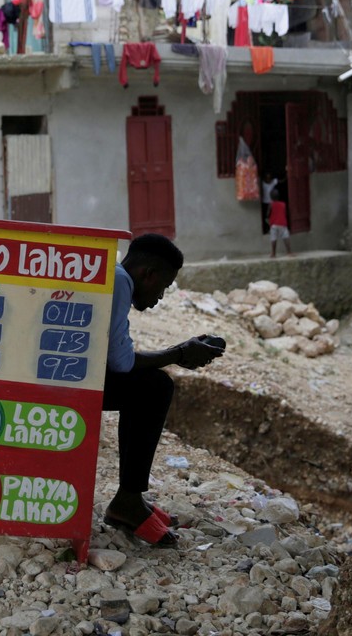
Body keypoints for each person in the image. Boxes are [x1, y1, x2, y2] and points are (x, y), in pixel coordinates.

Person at [102, 233, 226, 547]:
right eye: (165, 286)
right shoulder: (118, 283)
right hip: (66, 384)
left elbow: (118, 357)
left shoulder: (114, 277)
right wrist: (179, 353)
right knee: (154, 387)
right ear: (149, 274)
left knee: (148, 385)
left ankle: (130, 497)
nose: (161, 296)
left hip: (66, 376)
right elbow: (120, 363)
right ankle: (127, 499)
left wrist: (178, 353)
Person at [267, 189, 294, 257]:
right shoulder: (283, 204)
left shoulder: (271, 205)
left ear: (271, 197)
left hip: (273, 224)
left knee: (273, 238)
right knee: (286, 237)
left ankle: (273, 253)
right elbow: (286, 213)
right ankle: (289, 252)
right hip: (282, 223)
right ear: (279, 196)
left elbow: (267, 214)